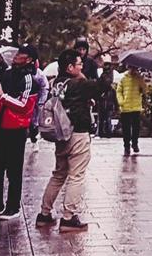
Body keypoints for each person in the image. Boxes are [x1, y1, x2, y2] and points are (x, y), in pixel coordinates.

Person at [37, 48, 106, 233]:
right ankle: (68, 217)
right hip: (78, 134)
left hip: (61, 135)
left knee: (59, 174)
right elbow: (102, 85)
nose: (82, 66)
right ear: (69, 67)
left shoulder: (56, 83)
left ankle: (44, 214)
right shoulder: (78, 84)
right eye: (79, 64)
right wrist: (106, 67)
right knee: (76, 176)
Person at [0, 45, 38, 220]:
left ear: (28, 59)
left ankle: (13, 206)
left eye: (21, 54)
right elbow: (0, 99)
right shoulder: (7, 73)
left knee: (14, 168)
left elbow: (24, 106)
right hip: (0, 125)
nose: (16, 56)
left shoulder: (29, 79)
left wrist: (2, 96)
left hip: (16, 128)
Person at [116, 64, 146, 156]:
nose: (133, 70)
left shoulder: (139, 78)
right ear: (128, 68)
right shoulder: (123, 78)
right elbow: (118, 91)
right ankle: (126, 146)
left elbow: (144, 90)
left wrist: (142, 81)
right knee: (126, 129)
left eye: (135, 68)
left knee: (136, 127)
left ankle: (135, 143)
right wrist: (121, 102)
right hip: (125, 108)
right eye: (131, 68)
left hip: (136, 107)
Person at [28, 55, 49, 153]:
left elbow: (45, 88)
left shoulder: (40, 74)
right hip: (22, 99)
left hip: (35, 100)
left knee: (34, 122)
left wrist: (41, 101)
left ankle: (34, 140)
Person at [97, 54, 118, 137]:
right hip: (106, 97)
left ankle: (105, 132)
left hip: (107, 97)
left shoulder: (107, 74)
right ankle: (105, 132)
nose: (106, 66)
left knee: (106, 116)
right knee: (104, 116)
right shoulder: (105, 74)